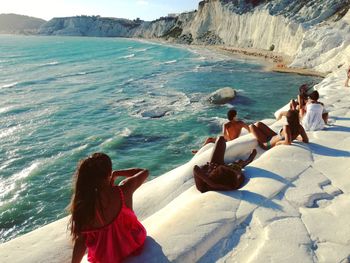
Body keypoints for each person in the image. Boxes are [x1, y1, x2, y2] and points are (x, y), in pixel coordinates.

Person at [69, 153, 149, 263]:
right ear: (108, 174)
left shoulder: (83, 207)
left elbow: (81, 242)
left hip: (104, 258)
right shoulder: (124, 189)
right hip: (134, 244)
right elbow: (144, 172)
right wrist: (117, 173)